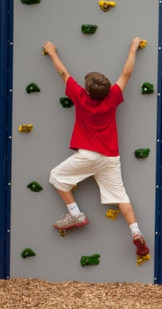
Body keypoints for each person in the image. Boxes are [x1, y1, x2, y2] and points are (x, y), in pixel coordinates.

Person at [43, 38, 150, 262]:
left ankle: (75, 214)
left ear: (88, 91)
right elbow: (127, 73)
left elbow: (63, 73)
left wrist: (52, 52)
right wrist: (133, 48)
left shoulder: (80, 97)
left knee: (56, 177)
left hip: (87, 155)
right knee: (121, 196)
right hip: (110, 158)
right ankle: (136, 232)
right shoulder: (112, 97)